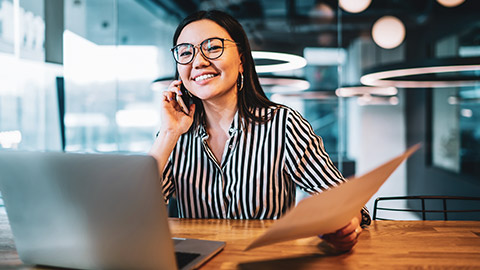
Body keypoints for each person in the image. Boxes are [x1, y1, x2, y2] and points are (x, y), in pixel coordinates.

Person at [149, 10, 370, 252]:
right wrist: (169, 134)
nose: (198, 61)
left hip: (264, 261)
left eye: (212, 48)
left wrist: (346, 224)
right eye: (185, 52)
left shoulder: (283, 125)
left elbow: (345, 201)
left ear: (242, 59)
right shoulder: (174, 136)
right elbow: (135, 213)